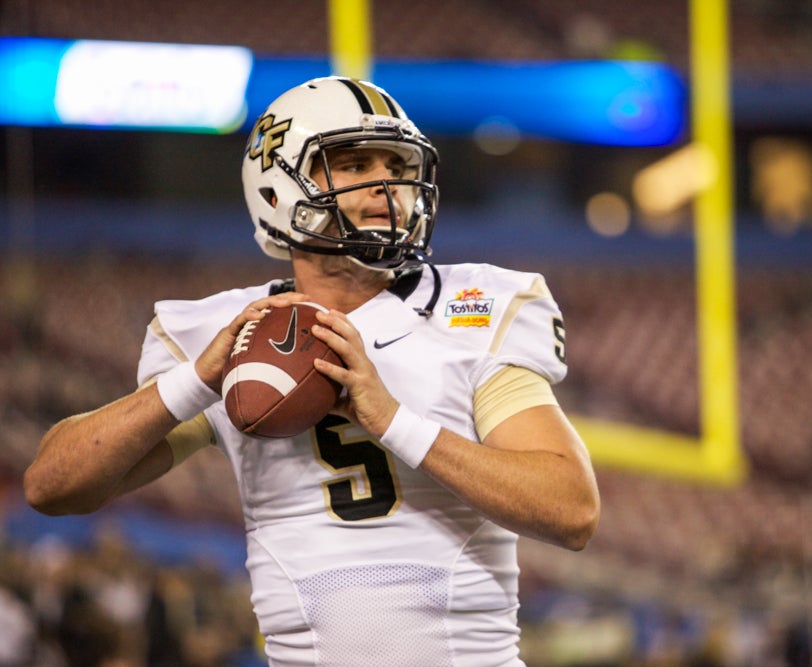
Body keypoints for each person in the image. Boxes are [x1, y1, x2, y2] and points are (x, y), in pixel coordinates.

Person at [24, 76, 601, 666]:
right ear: (276, 189)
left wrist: (393, 421)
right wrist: (194, 382)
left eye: (397, 165)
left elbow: (570, 510)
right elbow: (52, 486)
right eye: (353, 164)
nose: (387, 186)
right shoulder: (229, 332)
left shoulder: (474, 307)